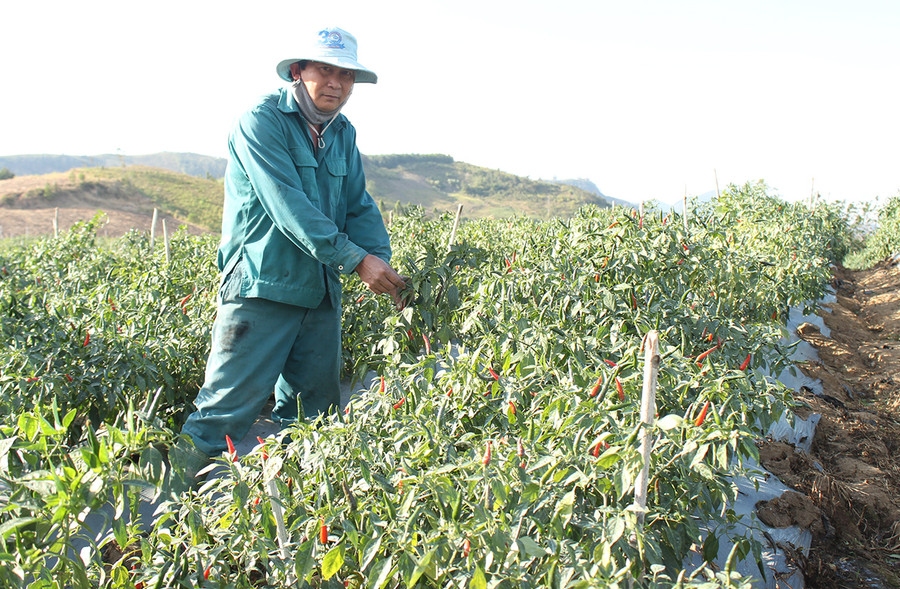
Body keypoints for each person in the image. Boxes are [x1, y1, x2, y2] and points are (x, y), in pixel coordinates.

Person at [169, 26, 405, 490]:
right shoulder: (262, 122)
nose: (336, 82)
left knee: (313, 418)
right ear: (299, 71)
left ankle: (291, 520)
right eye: (325, 70)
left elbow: (358, 203)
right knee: (222, 415)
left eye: (346, 74)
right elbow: (287, 206)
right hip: (263, 286)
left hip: (319, 293)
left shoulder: (342, 133)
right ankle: (157, 526)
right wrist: (356, 259)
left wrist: (381, 259)